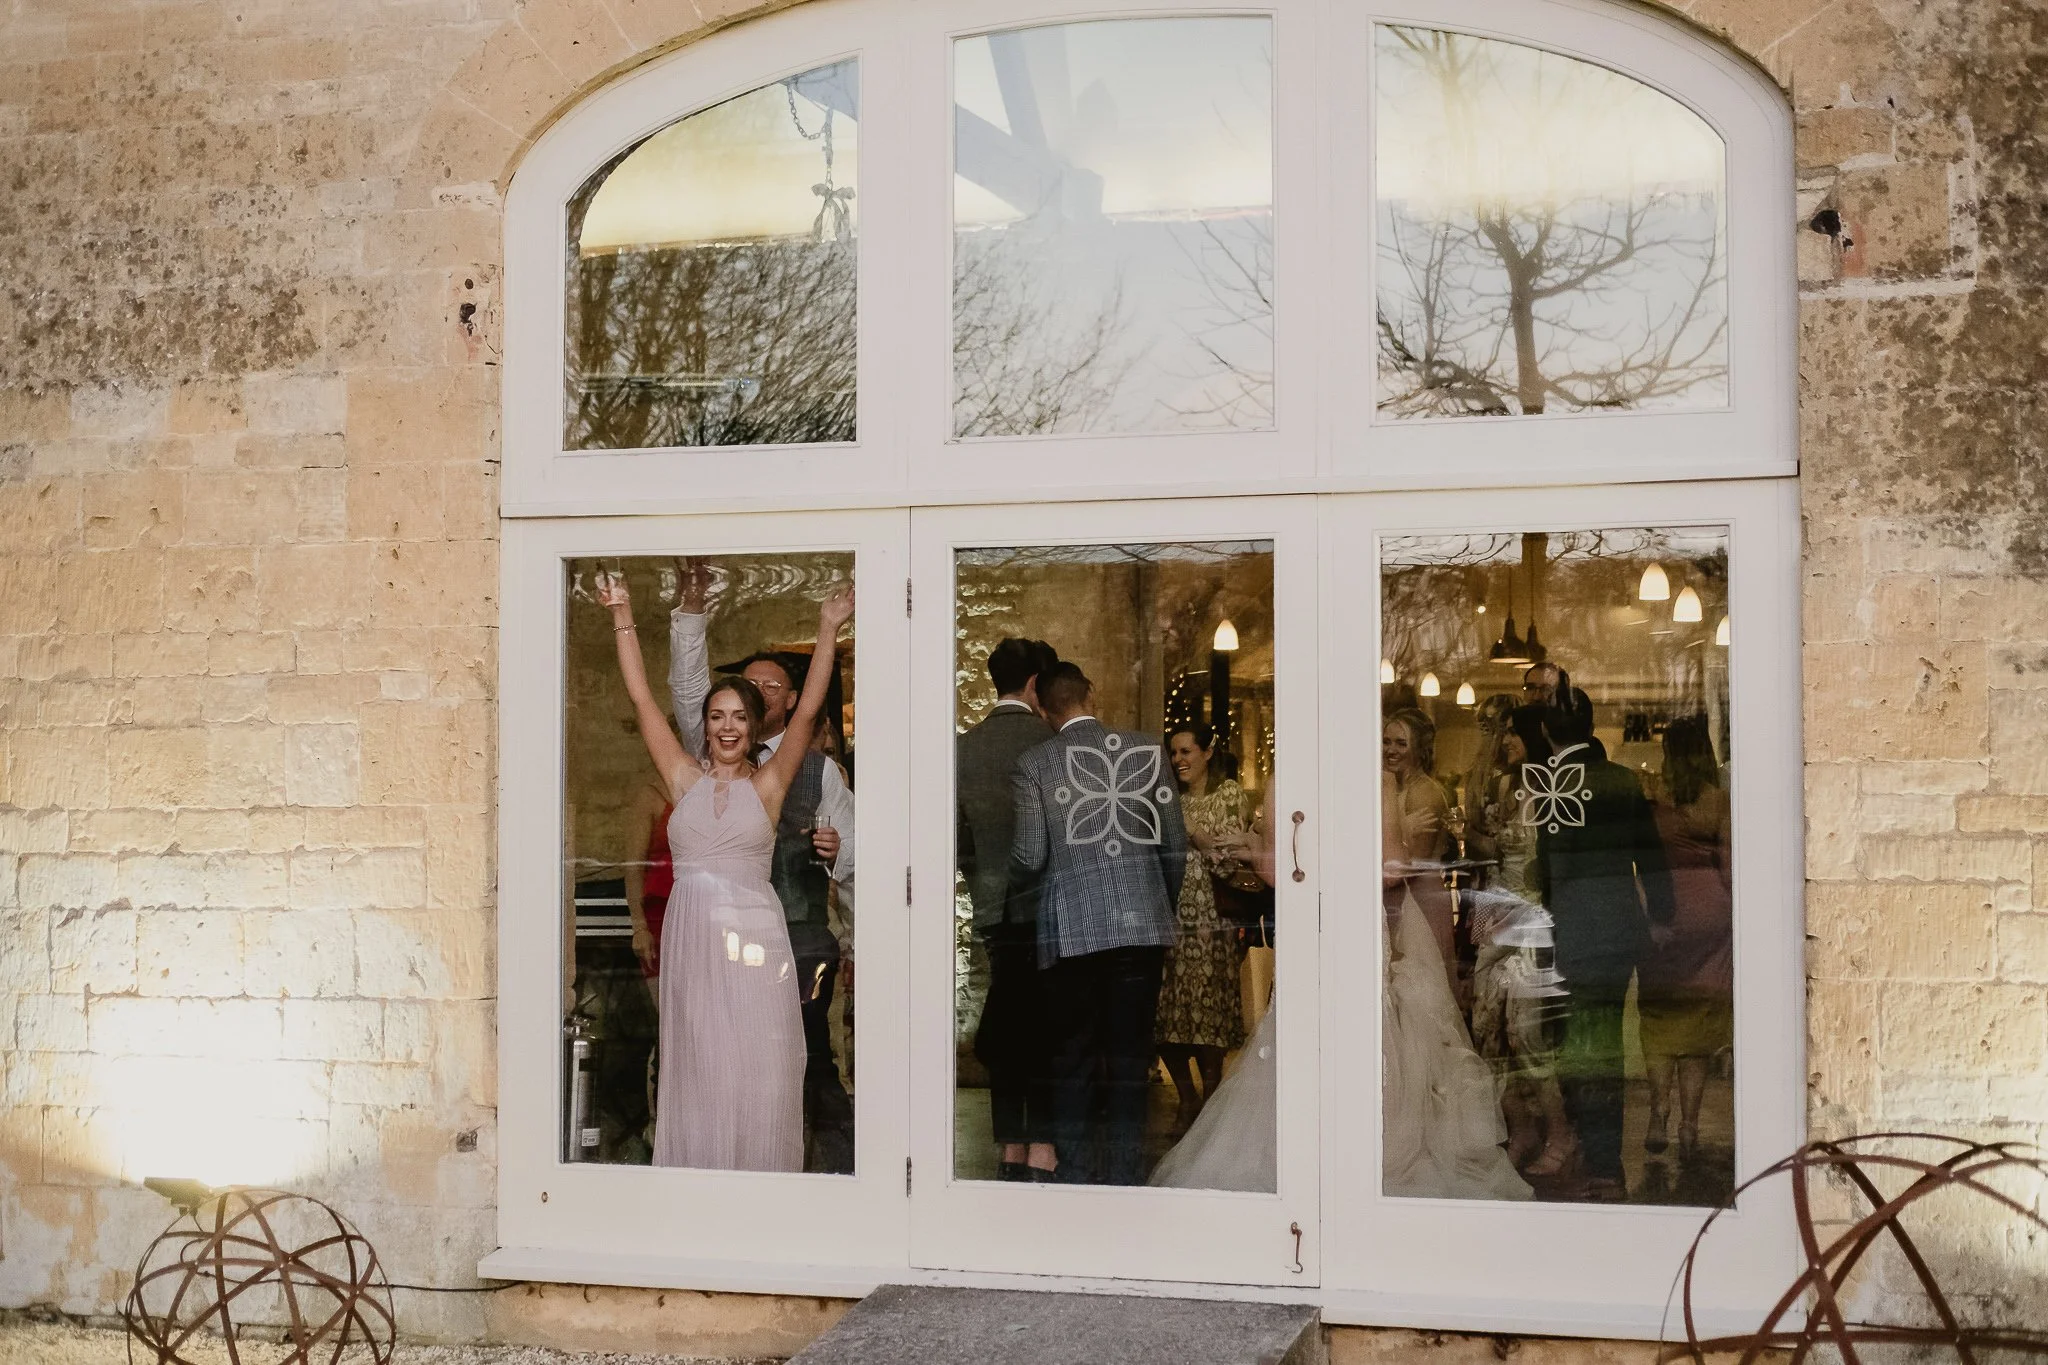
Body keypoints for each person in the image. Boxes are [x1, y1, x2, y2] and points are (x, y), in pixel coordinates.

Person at [598, 570, 854, 1171]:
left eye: (740, 716)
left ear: (755, 723)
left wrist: (828, 627)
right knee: (698, 1064)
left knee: (760, 1068)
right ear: (706, 724)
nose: (729, 727)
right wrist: (622, 612)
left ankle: (758, 1194)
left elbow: (812, 702)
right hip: (692, 940)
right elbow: (640, 699)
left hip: (757, 943)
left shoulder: (770, 785)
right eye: (717, 716)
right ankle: (698, 1198)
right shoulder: (682, 779)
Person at [1009, 662, 1187, 1185]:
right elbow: (1173, 848)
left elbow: (1029, 853)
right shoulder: (1147, 752)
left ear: (1041, 706)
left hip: (1071, 934)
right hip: (1141, 928)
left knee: (1073, 1062)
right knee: (1131, 1061)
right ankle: (1128, 1177)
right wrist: (1158, 906)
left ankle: (1080, 1180)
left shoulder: (1036, 763)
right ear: (1092, 693)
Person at [1380, 707, 1531, 1202]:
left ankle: (1435, 1123)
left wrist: (1394, 823)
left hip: (1416, 906)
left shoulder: (1427, 792)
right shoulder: (1390, 788)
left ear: (1421, 747)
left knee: (1426, 1011)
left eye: (1400, 742)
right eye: (1386, 741)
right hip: (1393, 903)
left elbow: (1405, 862)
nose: (1390, 749)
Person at [1532, 688, 1675, 1201]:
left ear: (1547, 732)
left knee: (1576, 1046)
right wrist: (1660, 915)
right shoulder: (1621, 780)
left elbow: (1550, 869)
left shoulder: (1553, 786)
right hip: (1617, 927)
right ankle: (1602, 1160)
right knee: (1604, 1043)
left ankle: (1597, 1158)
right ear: (1590, 727)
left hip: (1571, 929)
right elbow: (1649, 853)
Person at [956, 637, 1060, 1182]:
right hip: (1051, 907)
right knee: (1044, 1026)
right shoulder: (1050, 741)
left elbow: (957, 839)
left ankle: (1009, 1144)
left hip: (994, 906)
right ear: (1035, 684)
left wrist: (981, 877)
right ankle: (1041, 1141)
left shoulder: (964, 748)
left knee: (1007, 1020)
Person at [1463, 699, 1575, 1181]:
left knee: (1528, 1034)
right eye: (1502, 731)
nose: (1505, 740)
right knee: (1489, 1031)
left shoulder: (1550, 789)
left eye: (1512, 733)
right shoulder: (1501, 784)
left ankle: (1561, 1133)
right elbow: (1477, 837)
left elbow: (1539, 859)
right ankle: (1521, 1128)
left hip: (1529, 916)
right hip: (1492, 913)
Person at [1639, 715, 1732, 1164]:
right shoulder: (1719, 802)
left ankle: (1658, 1113)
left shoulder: (1654, 801)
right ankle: (1690, 1127)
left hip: (1662, 910)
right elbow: (1731, 866)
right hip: (1711, 912)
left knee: (1659, 1016)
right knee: (1697, 1023)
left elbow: (1643, 860)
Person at [1155, 725, 1249, 1136]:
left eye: (1187, 751)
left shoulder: (1228, 795)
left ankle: (1210, 1099)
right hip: (1171, 919)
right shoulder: (1165, 802)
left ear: (1208, 752)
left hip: (1213, 921)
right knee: (1166, 1015)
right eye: (1174, 753)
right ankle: (1187, 1097)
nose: (1179, 760)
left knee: (1209, 1013)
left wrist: (1197, 836)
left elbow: (1227, 860)